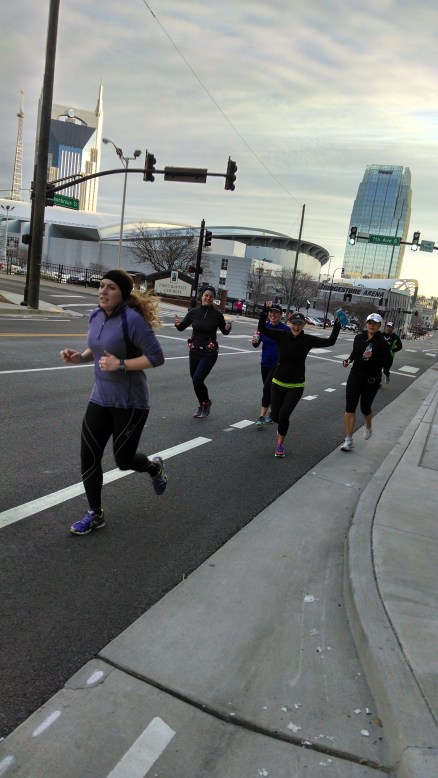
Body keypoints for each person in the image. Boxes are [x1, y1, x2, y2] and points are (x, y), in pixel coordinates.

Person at [60, 270, 167, 535]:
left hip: (131, 402)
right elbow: (96, 349)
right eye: (101, 286)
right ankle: (95, 514)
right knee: (89, 457)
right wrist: (80, 357)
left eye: (110, 288)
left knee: (124, 460)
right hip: (100, 397)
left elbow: (156, 357)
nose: (102, 292)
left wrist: (120, 365)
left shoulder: (132, 320)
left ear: (122, 294)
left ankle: (154, 467)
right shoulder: (95, 315)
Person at [257, 305, 341, 457]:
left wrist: (338, 324)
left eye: (299, 324)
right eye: (293, 324)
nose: (296, 327)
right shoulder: (281, 334)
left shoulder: (308, 340)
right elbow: (262, 329)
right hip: (278, 382)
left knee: (283, 416)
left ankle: (280, 444)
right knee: (275, 416)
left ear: (303, 326)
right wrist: (264, 312)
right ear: (289, 324)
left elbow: (330, 341)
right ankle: (281, 426)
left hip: (296, 385)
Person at [174, 285, 232, 417]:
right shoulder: (194, 312)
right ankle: (203, 404)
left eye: (211, 296)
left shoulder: (217, 315)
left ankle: (205, 403)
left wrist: (228, 327)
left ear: (213, 299)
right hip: (194, 351)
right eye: (206, 295)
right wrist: (177, 324)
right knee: (195, 379)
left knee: (197, 380)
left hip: (209, 352)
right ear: (202, 296)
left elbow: (224, 332)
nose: (208, 298)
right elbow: (181, 328)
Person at [340, 312, 391, 452]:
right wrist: (348, 360)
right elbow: (355, 353)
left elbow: (387, 362)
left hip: (371, 379)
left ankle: (368, 425)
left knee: (365, 408)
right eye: (369, 322)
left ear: (380, 325)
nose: (371, 325)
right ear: (366, 324)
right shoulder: (359, 337)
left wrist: (373, 357)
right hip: (355, 375)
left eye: (374, 323)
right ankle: (348, 440)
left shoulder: (382, 342)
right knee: (350, 407)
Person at [251, 303, 289, 427]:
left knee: (267, 388)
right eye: (271, 312)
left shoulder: (285, 329)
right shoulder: (264, 327)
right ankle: (273, 411)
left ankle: (262, 415)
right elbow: (256, 344)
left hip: (278, 364)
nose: (273, 315)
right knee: (270, 389)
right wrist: (255, 341)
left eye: (276, 313)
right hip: (265, 362)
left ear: (281, 315)